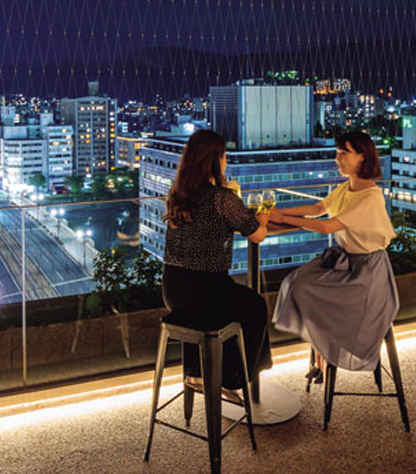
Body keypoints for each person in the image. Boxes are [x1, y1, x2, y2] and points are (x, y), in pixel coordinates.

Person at [271, 131, 398, 381]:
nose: (337, 158)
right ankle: (322, 353)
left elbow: (329, 226)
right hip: (346, 264)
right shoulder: (346, 188)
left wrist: (283, 218)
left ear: (362, 157)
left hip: (367, 276)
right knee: (296, 283)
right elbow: (318, 208)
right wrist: (280, 212)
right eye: (337, 153)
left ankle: (325, 354)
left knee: (305, 288)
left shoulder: (371, 196)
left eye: (343, 153)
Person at [163, 129, 272, 398]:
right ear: (215, 160)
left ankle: (196, 372)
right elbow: (258, 234)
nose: (225, 161)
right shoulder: (223, 198)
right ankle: (231, 377)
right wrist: (264, 215)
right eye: (223, 156)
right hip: (207, 292)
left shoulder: (178, 194)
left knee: (235, 305)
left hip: (174, 291)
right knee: (256, 307)